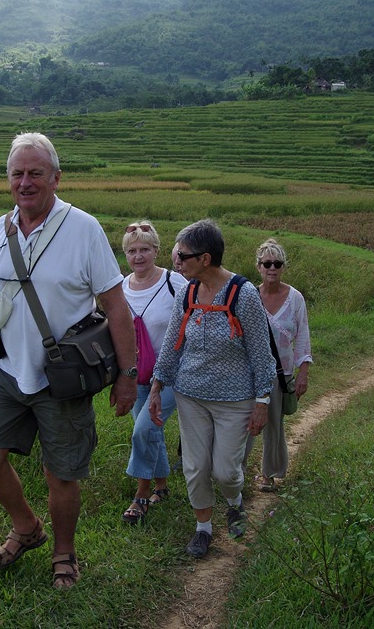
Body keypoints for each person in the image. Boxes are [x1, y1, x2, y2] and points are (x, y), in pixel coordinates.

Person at [0, 132, 138, 589]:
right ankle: (27, 528)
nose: (26, 182)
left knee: (62, 474)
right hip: (8, 370)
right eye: (17, 173)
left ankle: (64, 552)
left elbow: (116, 307)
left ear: (55, 177)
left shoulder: (84, 229)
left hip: (64, 378)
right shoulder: (0, 229)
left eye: (36, 173)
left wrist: (129, 376)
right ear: (8, 180)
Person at [148, 219, 275, 559]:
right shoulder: (188, 292)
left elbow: (262, 354)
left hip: (236, 400)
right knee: (194, 466)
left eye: (182, 255)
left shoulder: (243, 295)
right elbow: (174, 341)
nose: (176, 260)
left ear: (205, 259)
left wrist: (262, 400)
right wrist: (158, 385)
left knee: (225, 470)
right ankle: (203, 528)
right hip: (191, 395)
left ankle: (234, 503)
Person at [120, 221, 187, 524]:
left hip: (173, 374)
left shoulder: (176, 283)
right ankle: (162, 486)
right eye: (132, 250)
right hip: (136, 375)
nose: (138, 256)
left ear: (157, 251)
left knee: (142, 430)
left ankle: (141, 496)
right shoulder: (121, 287)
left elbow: (195, 318)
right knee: (152, 430)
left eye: (145, 249)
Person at [243, 238, 312, 493]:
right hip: (250, 372)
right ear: (259, 266)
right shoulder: (249, 295)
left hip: (279, 373)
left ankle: (269, 474)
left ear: (283, 267)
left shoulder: (295, 299)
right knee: (245, 423)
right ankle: (236, 474)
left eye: (277, 263)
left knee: (273, 423)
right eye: (267, 263)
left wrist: (303, 371)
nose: (272, 268)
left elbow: (302, 336)